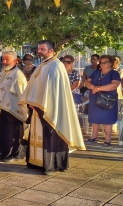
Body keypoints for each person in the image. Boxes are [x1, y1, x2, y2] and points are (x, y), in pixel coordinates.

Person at [19, 40, 85, 175]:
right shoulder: (42, 65)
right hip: (37, 107)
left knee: (50, 135)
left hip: (50, 108)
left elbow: (53, 91)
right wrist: (31, 102)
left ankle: (51, 164)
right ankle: (36, 162)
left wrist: (39, 104)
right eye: (39, 49)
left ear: (51, 51)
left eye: (42, 49)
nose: (39, 51)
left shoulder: (56, 66)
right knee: (37, 135)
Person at [0, 51, 28, 161]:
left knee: (11, 134)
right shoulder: (2, 73)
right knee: (1, 133)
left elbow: (23, 94)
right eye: (3, 59)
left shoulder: (18, 75)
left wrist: (19, 109)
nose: (4, 62)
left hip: (12, 110)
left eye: (7, 59)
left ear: (15, 61)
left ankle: (13, 154)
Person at [86, 55, 121, 146]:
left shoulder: (114, 73)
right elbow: (87, 82)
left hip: (108, 100)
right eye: (101, 62)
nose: (102, 64)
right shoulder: (96, 72)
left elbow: (114, 85)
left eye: (104, 62)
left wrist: (98, 89)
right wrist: (93, 87)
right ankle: (94, 136)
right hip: (95, 98)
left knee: (107, 118)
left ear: (110, 63)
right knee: (95, 117)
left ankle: (108, 138)